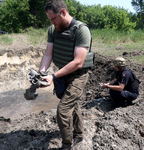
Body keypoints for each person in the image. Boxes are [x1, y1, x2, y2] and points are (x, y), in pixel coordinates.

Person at [39, 0, 92, 149]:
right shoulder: (53, 30)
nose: (52, 22)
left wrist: (53, 76)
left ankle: (67, 145)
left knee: (62, 110)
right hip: (63, 73)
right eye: (49, 19)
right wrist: (42, 73)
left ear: (63, 12)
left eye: (54, 18)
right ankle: (79, 134)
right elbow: (48, 54)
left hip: (78, 75)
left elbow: (78, 62)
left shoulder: (81, 30)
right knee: (71, 105)